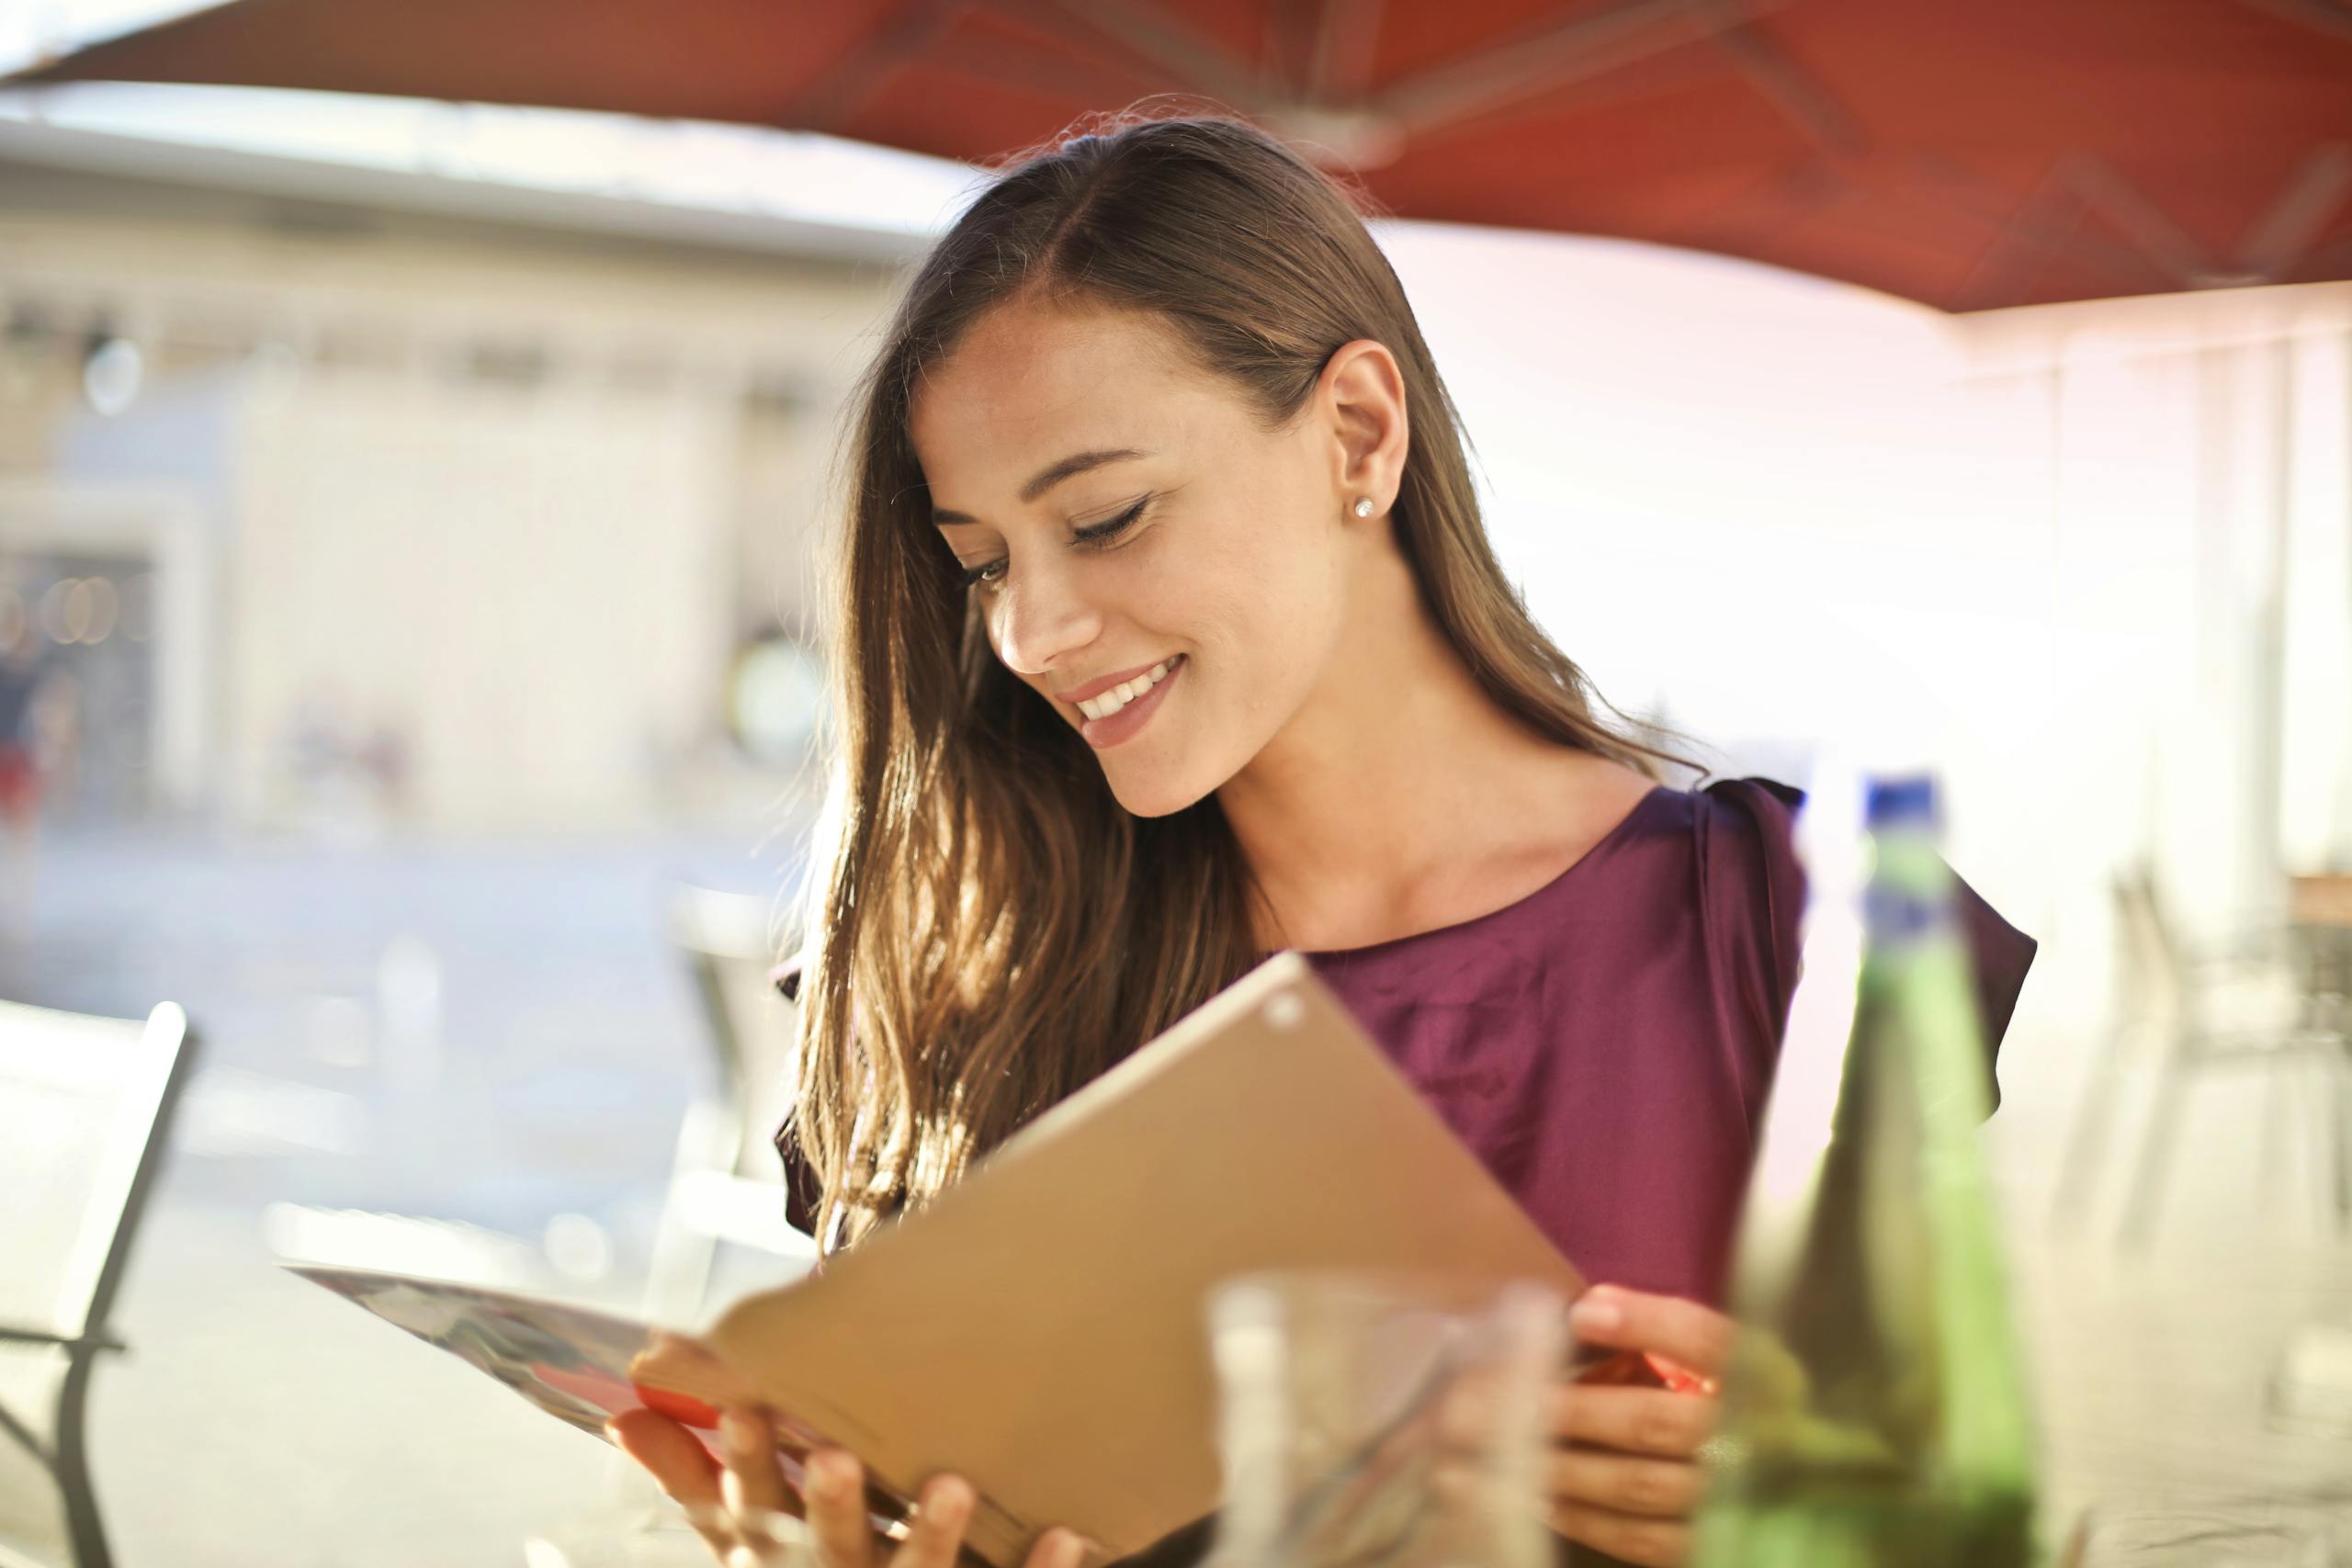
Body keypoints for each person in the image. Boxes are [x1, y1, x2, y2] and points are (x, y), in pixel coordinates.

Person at [609, 112, 2034, 1568]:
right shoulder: (967, 972)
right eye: (983, 563)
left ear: (1358, 431)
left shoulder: (1795, 934)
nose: (1030, 632)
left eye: (1105, 517)